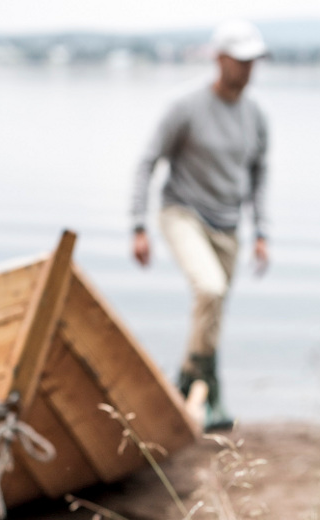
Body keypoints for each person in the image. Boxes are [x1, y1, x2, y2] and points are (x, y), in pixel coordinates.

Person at [130, 20, 270, 430]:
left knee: (214, 312)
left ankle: (199, 393)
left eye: (253, 61)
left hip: (229, 225)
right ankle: (195, 383)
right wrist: (138, 226)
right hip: (182, 214)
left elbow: (259, 175)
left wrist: (261, 232)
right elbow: (147, 162)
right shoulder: (185, 107)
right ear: (220, 59)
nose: (248, 68)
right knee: (210, 289)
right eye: (241, 60)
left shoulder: (256, 116)